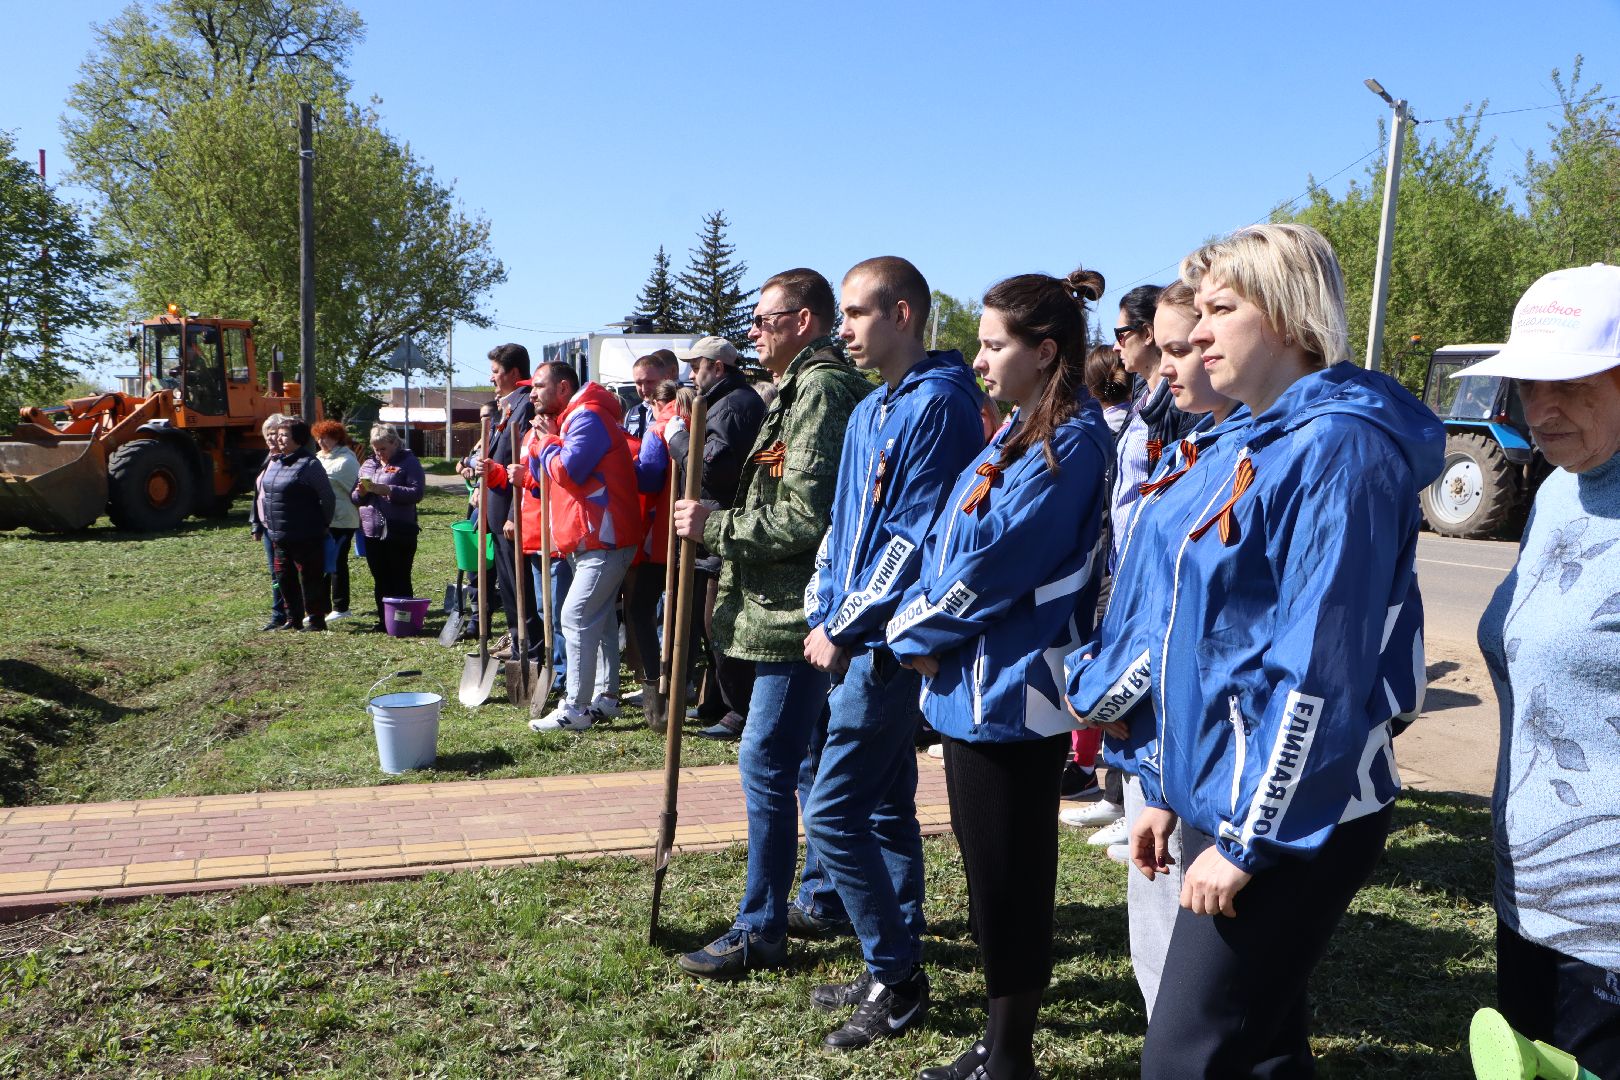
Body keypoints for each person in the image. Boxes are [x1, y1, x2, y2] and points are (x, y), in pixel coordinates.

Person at [1112, 223, 1441, 1078]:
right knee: (1259, 1051)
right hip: (1231, 797)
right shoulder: (1247, 439)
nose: (1196, 332)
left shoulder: (1341, 449)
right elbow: (1196, 638)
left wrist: (1249, 841)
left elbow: (1316, 673)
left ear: (1291, 320)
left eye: (1223, 309)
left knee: (1186, 1056)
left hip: (1305, 812)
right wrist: (1158, 781)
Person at [888, 267, 1113, 1080]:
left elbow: (994, 564)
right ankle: (996, 1042)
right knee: (989, 876)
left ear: (1043, 349)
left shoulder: (1074, 440)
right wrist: (918, 622)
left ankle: (1009, 1057)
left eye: (992, 345)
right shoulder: (1016, 427)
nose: (978, 360)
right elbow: (950, 535)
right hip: (966, 685)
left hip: (1012, 694)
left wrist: (912, 628)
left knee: (1013, 879)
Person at [802, 256, 985, 1051]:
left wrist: (844, 625)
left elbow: (911, 537)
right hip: (853, 634)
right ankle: (893, 957)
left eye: (853, 314)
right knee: (878, 804)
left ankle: (899, 977)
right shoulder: (876, 406)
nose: (842, 330)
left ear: (902, 313)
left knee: (835, 812)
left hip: (886, 643)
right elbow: (847, 529)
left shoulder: (939, 405)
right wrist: (822, 601)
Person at [672, 267, 871, 978]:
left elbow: (803, 516)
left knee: (766, 761)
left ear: (804, 322)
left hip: (796, 613)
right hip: (792, 609)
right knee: (810, 756)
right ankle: (821, 898)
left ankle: (761, 927)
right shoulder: (798, 388)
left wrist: (714, 525)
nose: (753, 332)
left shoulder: (819, 390)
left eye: (764, 319)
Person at [1065, 279, 1243, 1017]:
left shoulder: (1265, 455)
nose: (1173, 365)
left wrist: (1112, 691)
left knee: (1204, 1006)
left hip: (1207, 753)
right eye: (1168, 347)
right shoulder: (1198, 440)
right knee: (1159, 944)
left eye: (1187, 345)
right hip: (1167, 747)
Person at [1474, 262, 1620, 1078]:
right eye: (1530, 382)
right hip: (1532, 893)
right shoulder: (1562, 488)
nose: (1542, 406)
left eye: (1570, 381)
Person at [1065, 286, 1198, 844]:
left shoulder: (1177, 408)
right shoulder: (1153, 401)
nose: (1117, 346)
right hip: (1125, 557)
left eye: (1123, 333)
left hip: (1149, 567)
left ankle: (1145, 802)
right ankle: (1124, 795)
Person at [526, 362, 642, 733]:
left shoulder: (588, 418)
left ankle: (575, 707)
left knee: (575, 617)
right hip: (590, 537)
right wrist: (546, 443)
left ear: (562, 388)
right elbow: (542, 476)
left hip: (602, 538)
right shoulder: (575, 418)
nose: (532, 394)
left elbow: (569, 471)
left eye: (539, 387)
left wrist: (547, 442)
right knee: (602, 619)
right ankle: (606, 698)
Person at [677, 335, 767, 740]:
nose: (691, 374)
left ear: (717, 367)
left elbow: (714, 468)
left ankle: (739, 711)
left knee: (720, 624)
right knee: (706, 622)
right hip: (713, 527)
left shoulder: (732, 405)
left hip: (723, 527)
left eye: (696, 366)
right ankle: (715, 702)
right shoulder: (724, 401)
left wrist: (678, 440)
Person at [480, 343, 542, 660]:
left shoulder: (526, 405)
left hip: (512, 513)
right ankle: (518, 644)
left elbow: (523, 463)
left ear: (514, 373)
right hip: (497, 509)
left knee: (522, 589)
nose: (491, 378)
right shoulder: (508, 405)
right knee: (508, 586)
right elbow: (497, 455)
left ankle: (531, 651)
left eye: (495, 371)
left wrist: (515, 515)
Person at [260, 420, 335, 632]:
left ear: (298, 439)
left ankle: (315, 620)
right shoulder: (275, 462)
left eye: (284, 435)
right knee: (284, 578)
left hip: (306, 534)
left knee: (310, 579)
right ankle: (292, 618)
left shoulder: (310, 465)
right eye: (277, 434)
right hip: (279, 535)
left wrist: (324, 523)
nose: (278, 439)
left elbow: (327, 498)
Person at [353, 424, 425, 630]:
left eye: (383, 448)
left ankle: (403, 621)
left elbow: (416, 492)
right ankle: (385, 621)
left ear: (394, 443)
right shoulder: (368, 464)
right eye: (375, 449)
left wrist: (388, 490)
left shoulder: (409, 462)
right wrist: (361, 493)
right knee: (380, 577)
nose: (379, 453)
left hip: (399, 529)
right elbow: (354, 497)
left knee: (399, 576)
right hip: (371, 529)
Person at [248, 414, 294, 631]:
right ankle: (278, 613)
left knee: (285, 572)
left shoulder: (291, 460)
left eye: (274, 433)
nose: (269, 438)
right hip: (267, 526)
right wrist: (256, 523)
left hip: (284, 526)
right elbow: (258, 494)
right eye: (267, 434)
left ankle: (290, 613)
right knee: (275, 574)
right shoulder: (269, 458)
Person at [312, 419, 359, 621]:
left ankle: (341, 607)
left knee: (337, 563)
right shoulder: (318, 458)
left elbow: (353, 492)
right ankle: (321, 608)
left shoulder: (347, 461)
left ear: (337, 438)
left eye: (327, 437)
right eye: (319, 437)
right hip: (322, 520)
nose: (322, 441)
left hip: (342, 520)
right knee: (322, 563)